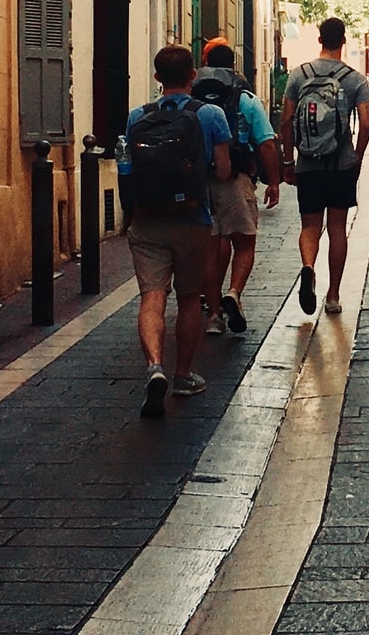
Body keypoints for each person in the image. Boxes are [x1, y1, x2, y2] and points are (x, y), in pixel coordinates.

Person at [120, 42, 232, 419]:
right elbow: (223, 170)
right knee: (188, 299)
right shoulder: (211, 114)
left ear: (156, 78)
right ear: (192, 77)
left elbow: (128, 168)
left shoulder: (138, 116)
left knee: (152, 297)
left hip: (147, 220)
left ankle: (154, 365)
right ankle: (183, 374)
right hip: (192, 220)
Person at [280, 16, 369, 318]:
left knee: (310, 226)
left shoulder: (298, 75)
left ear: (319, 40)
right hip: (340, 163)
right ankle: (333, 295)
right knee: (337, 228)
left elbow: (285, 121)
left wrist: (288, 160)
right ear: (343, 41)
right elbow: (367, 123)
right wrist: (356, 157)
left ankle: (308, 267)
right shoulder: (355, 79)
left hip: (308, 163)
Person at [192, 35, 282, 336]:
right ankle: (234, 291)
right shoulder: (244, 98)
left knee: (210, 248)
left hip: (198, 182)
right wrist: (274, 181)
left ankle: (215, 315)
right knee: (244, 242)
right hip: (235, 178)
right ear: (233, 66)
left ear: (205, 64)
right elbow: (267, 143)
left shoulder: (191, 96)